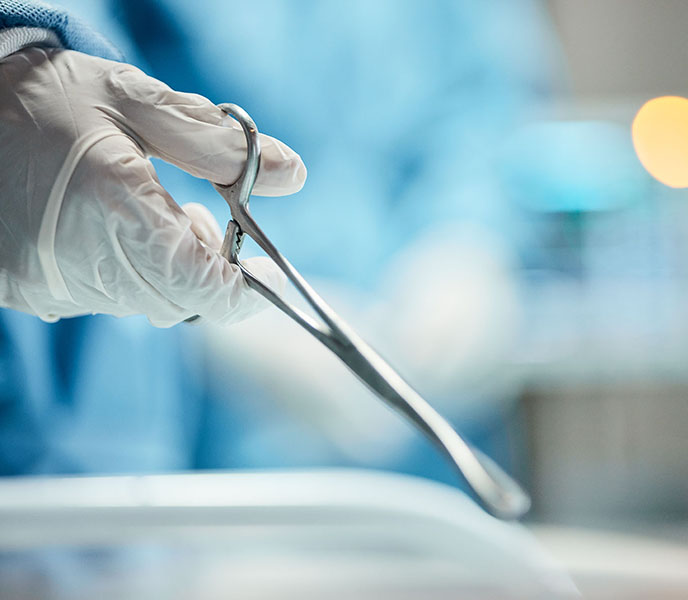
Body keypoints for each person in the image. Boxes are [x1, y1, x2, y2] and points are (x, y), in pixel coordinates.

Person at [0, 0, 560, 478]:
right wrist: (197, 301)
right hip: (206, 449)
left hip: (437, 455)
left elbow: (482, 100)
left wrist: (466, 242)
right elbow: (101, 104)